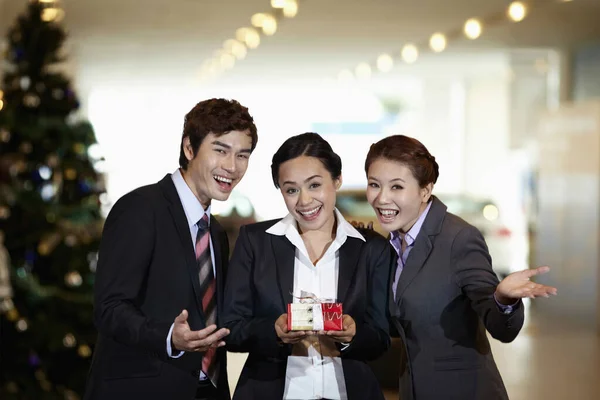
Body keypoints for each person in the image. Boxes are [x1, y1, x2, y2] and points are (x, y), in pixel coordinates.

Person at [84, 98, 258, 400]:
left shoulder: (215, 232)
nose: (232, 167)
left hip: (206, 390)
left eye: (242, 155)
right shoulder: (139, 209)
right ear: (189, 148)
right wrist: (168, 337)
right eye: (220, 150)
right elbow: (110, 308)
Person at [363, 135, 557, 400]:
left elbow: (502, 328)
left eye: (396, 187)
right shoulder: (396, 241)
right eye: (374, 185)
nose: (382, 198)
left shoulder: (458, 238)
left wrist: (503, 299)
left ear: (425, 190)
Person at [222, 133, 394, 400]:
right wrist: (273, 331)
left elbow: (381, 338)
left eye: (314, 185)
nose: (304, 201)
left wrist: (352, 335)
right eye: (291, 190)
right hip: (270, 390)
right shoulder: (255, 242)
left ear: (336, 180)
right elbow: (231, 328)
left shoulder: (371, 248)